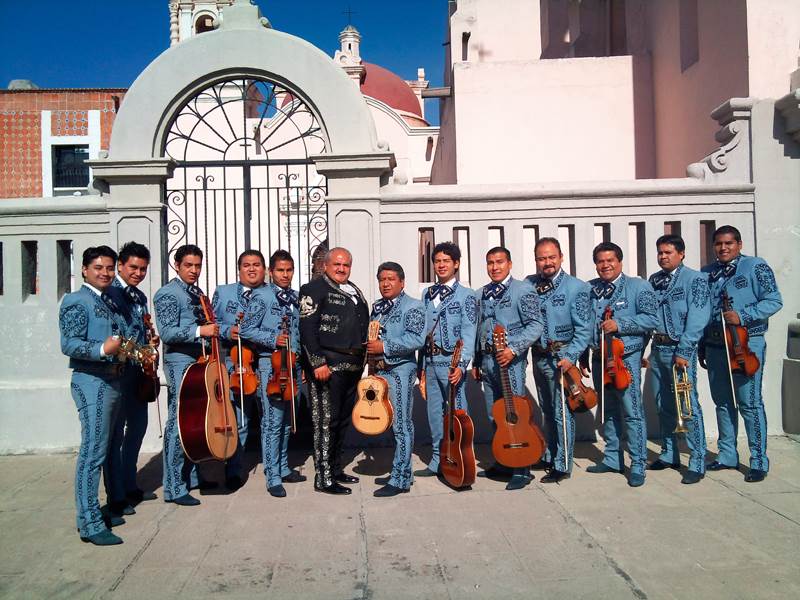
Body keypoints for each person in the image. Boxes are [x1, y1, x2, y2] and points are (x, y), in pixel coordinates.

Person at [59, 246, 129, 545]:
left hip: (112, 381)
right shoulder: (77, 300)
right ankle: (89, 523)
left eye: (110, 268)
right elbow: (69, 344)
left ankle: (96, 513)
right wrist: (102, 349)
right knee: (93, 453)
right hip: (91, 381)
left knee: (107, 449)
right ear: (84, 269)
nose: (105, 273)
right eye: (98, 267)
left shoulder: (109, 299)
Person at [701, 225, 782, 482]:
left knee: (750, 402)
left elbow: (774, 300)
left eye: (729, 243)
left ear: (739, 244)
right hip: (716, 346)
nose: (723, 248)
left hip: (746, 344)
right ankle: (727, 455)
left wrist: (744, 316)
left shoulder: (756, 266)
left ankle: (758, 460)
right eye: (718, 244)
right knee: (723, 402)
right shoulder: (707, 272)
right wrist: (702, 344)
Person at [586, 242, 658, 487]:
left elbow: (652, 319)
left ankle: (638, 463)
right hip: (600, 358)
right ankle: (612, 458)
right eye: (600, 261)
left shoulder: (638, 286)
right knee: (608, 409)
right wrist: (584, 354)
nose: (605, 265)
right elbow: (585, 323)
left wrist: (620, 324)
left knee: (632, 411)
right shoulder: (590, 288)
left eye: (610, 260)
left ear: (620, 262)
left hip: (625, 358)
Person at [153, 245, 220, 506]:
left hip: (199, 361)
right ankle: (173, 487)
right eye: (188, 265)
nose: (194, 270)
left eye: (197, 265)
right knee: (178, 422)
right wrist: (200, 332)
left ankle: (191, 478)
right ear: (176, 265)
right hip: (179, 361)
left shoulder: (197, 293)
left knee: (195, 421)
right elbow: (167, 332)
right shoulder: (168, 293)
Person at [299, 247, 369, 494]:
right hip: (328, 367)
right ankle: (324, 478)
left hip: (352, 367)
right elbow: (307, 330)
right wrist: (317, 363)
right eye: (337, 264)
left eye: (346, 265)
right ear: (325, 266)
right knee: (326, 422)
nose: (341, 268)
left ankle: (336, 469)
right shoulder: (313, 289)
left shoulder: (354, 289)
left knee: (341, 421)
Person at [473, 247, 543, 490]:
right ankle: (504, 461)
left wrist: (513, 349)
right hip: (488, 361)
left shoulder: (523, 290)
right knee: (494, 415)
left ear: (510, 264)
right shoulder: (481, 293)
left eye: (499, 262)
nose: (495, 267)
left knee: (516, 415)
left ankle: (522, 468)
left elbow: (536, 325)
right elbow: (478, 329)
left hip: (510, 362)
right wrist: (477, 361)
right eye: (490, 262)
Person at [240, 250, 306, 498]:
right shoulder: (261, 295)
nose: (285, 275)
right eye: (280, 270)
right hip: (271, 365)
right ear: (271, 271)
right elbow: (246, 329)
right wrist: (272, 339)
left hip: (293, 364)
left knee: (288, 421)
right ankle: (272, 475)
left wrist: (302, 362)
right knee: (272, 422)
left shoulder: (296, 297)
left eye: (289, 270)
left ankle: (284, 466)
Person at [527, 238, 592, 484]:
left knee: (562, 412)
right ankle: (549, 454)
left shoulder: (577, 287)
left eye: (551, 257)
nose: (547, 262)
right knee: (547, 409)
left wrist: (570, 357)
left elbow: (584, 330)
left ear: (561, 257)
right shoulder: (529, 285)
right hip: (539, 356)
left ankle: (563, 464)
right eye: (542, 258)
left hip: (562, 359)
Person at [646, 234, 710, 484]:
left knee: (687, 405)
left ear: (681, 254)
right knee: (662, 404)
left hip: (679, 352)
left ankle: (697, 460)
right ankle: (669, 453)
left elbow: (698, 317)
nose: (663, 256)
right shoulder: (654, 280)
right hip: (658, 349)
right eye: (660, 252)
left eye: (668, 252)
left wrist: (684, 350)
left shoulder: (695, 279)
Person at [104, 242, 158, 517]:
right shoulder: (110, 294)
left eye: (143, 269)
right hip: (118, 371)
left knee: (137, 428)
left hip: (138, 371)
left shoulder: (139, 296)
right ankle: (116, 495)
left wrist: (150, 341)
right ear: (121, 266)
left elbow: (139, 331)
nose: (138, 273)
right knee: (115, 436)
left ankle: (130, 484)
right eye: (133, 267)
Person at [416, 242, 478, 478]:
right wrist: (421, 367)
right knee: (434, 413)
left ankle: (461, 459)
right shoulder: (427, 294)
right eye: (437, 261)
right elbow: (423, 332)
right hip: (431, 362)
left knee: (457, 413)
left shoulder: (467, 295)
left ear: (456, 264)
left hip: (451, 363)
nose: (441, 265)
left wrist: (462, 365)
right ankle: (437, 460)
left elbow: (469, 333)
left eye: (446, 261)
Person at [366, 262, 426, 497]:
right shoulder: (377, 307)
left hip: (400, 371)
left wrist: (384, 346)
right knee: (392, 424)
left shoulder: (414, 305)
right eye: (382, 279)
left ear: (402, 282)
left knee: (402, 425)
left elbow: (416, 339)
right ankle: (403, 472)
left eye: (391, 279)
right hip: (380, 372)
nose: (386, 283)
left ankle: (400, 479)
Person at [211, 250, 267, 491]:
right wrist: (227, 331)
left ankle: (274, 468)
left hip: (267, 363)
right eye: (246, 265)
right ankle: (233, 470)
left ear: (264, 269)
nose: (252, 269)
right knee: (239, 419)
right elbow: (211, 323)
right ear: (239, 269)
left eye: (256, 264)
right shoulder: (223, 292)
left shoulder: (271, 293)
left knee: (271, 419)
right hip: (236, 364)